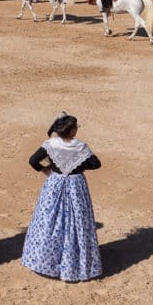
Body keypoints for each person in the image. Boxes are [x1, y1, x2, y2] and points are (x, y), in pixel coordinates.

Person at [20, 112, 102, 282]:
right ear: (72, 131)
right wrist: (78, 164)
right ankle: (74, 265)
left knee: (48, 221)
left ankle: (44, 261)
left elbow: (33, 160)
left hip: (54, 184)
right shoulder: (81, 146)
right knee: (77, 222)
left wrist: (47, 169)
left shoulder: (51, 144)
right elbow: (95, 164)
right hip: (76, 186)